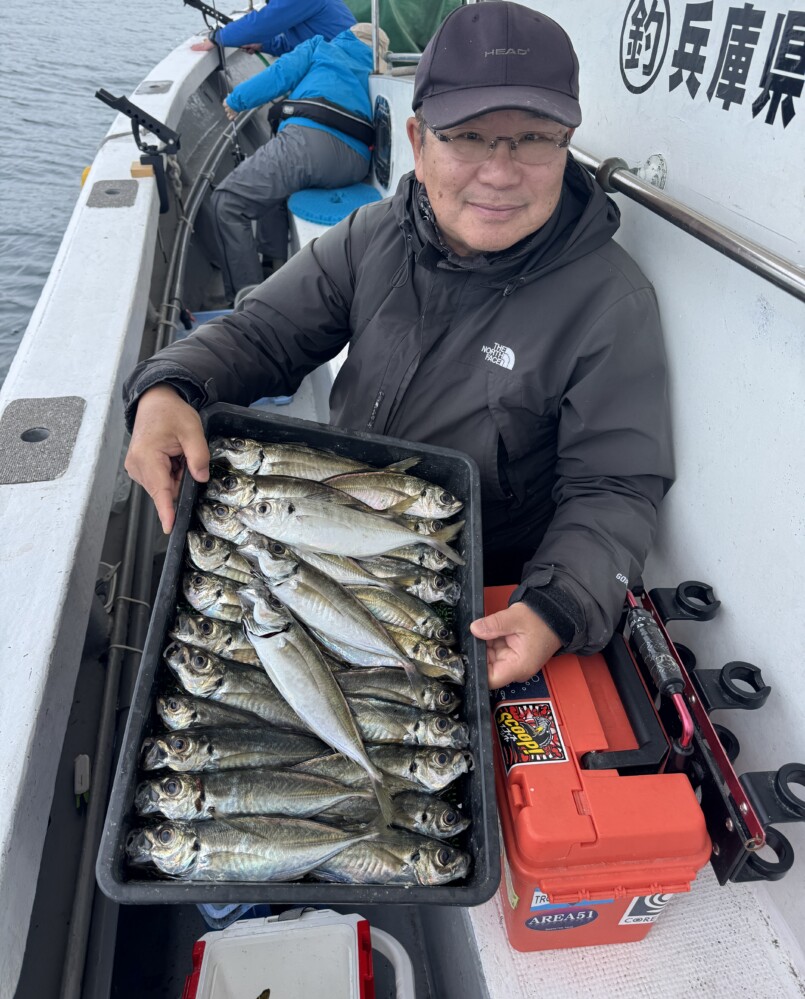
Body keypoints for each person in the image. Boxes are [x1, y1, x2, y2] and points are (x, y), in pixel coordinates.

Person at [123, 2, 673, 690]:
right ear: (417, 140)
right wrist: (168, 387)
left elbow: (613, 487)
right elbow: (261, 331)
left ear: (566, 143)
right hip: (325, 540)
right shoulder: (371, 236)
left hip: (465, 588)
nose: (500, 174)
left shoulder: (608, 303)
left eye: (534, 138)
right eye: (467, 137)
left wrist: (556, 607)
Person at [208, 23, 389, 302]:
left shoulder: (321, 47)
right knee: (279, 188)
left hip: (305, 146)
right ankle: (276, 265)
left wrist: (236, 100)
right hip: (355, 163)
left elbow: (279, 75)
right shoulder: (380, 72)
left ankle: (248, 302)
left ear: (347, 35)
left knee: (226, 204)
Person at [191, 0, 356, 56]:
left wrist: (217, 38)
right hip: (339, 62)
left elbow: (261, 23)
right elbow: (297, 45)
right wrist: (264, 45)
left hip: (347, 70)